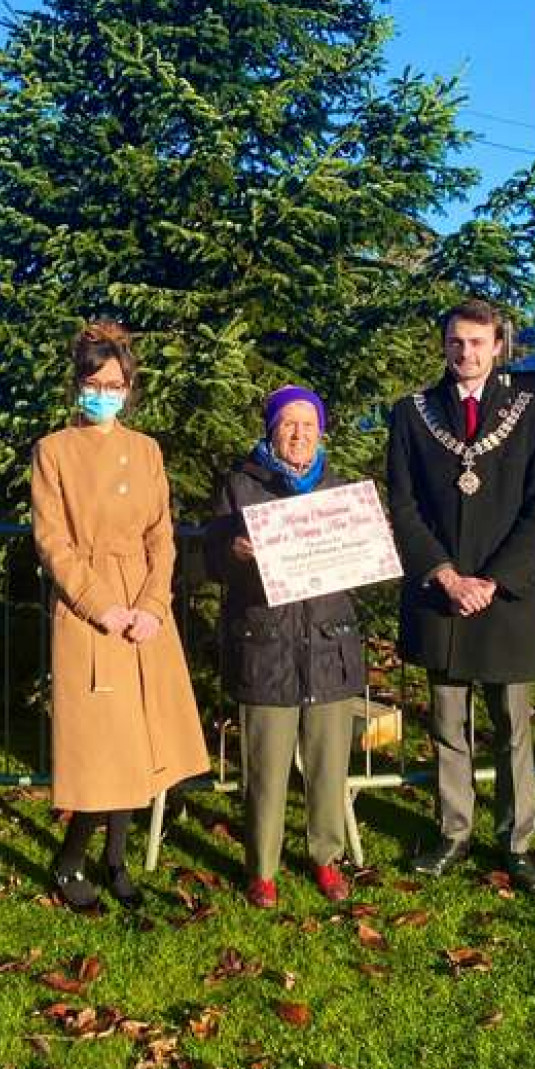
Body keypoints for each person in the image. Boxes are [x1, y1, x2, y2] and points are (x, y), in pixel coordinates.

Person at [31, 319, 209, 911]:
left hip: (145, 606)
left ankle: (115, 858)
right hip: (91, 608)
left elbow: (163, 533)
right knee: (103, 743)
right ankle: (71, 859)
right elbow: (52, 541)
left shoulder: (146, 450)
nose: (104, 393)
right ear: (77, 384)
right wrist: (101, 606)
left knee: (140, 737)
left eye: (114, 384)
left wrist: (154, 605)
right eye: (94, 382)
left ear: (129, 388)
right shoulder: (53, 451)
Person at [387, 300, 535, 893]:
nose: (467, 353)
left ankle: (517, 843)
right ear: (443, 345)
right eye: (457, 342)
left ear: (498, 347)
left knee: (513, 727)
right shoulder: (412, 414)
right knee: (447, 725)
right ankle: (454, 832)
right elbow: (403, 505)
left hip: (504, 597)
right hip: (443, 595)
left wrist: (492, 580)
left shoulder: (532, 414)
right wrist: (446, 575)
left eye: (478, 343)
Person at [207, 385, 366, 908]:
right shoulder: (240, 485)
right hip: (268, 644)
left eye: (307, 424)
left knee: (328, 763)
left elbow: (365, 572)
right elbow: (209, 561)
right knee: (266, 767)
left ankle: (325, 857)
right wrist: (232, 552)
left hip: (327, 644)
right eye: (287, 424)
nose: (298, 434)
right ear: (271, 430)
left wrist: (370, 542)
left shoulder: (342, 489)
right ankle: (263, 868)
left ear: (321, 430)